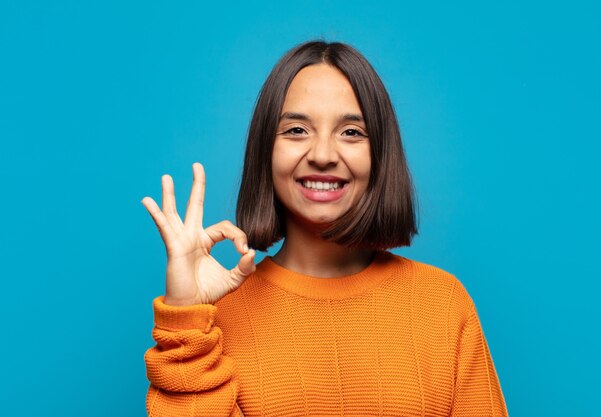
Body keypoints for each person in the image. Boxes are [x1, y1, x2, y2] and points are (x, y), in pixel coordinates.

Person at [141, 40, 508, 417]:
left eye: (351, 132)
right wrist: (186, 314)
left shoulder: (442, 305)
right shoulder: (216, 316)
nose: (322, 155)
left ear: (380, 154)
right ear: (265, 150)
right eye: (297, 130)